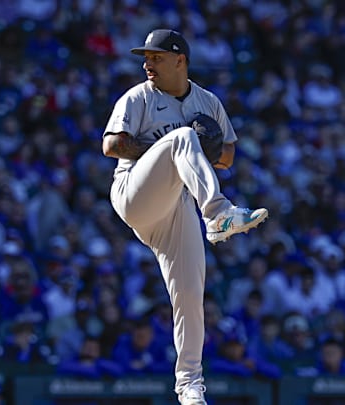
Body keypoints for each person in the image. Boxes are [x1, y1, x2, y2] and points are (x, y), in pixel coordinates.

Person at [101, 29, 269, 405]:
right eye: (146, 58)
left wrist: (207, 152)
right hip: (134, 193)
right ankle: (219, 214)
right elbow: (110, 145)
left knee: (190, 292)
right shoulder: (139, 97)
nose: (147, 64)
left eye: (156, 57)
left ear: (180, 61)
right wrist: (170, 146)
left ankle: (189, 385)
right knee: (181, 139)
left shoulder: (207, 102)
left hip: (175, 207)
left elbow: (227, 155)